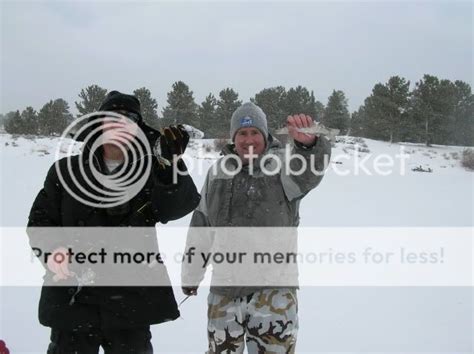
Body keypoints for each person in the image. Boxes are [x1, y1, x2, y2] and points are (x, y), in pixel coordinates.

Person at [27, 91, 200, 353]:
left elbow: (178, 207)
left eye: (128, 120)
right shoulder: (65, 171)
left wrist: (172, 164)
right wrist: (55, 255)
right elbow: (40, 222)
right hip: (74, 298)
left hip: (131, 302)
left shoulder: (151, 172)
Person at [181, 102, 331, 353]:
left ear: (265, 136)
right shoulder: (217, 172)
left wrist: (308, 147)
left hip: (273, 293)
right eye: (242, 133)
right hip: (224, 292)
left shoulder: (283, 165)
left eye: (255, 133)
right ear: (233, 137)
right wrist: (191, 274)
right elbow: (201, 228)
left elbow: (309, 173)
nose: (248, 140)